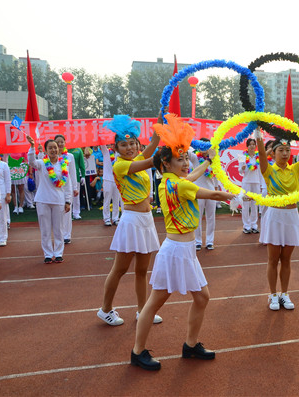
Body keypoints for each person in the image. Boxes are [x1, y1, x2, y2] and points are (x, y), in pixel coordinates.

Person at [131, 114, 236, 371]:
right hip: (176, 251)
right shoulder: (180, 185)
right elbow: (213, 193)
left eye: (187, 158)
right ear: (166, 163)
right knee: (155, 301)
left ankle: (190, 345)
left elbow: (191, 179)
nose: (187, 163)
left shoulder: (169, 181)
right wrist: (240, 195)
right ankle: (137, 351)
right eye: (181, 159)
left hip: (183, 250)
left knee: (202, 297)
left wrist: (208, 161)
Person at [97, 114, 161, 326]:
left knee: (142, 271)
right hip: (131, 221)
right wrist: (166, 154)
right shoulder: (120, 166)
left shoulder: (138, 158)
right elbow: (151, 161)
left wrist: (160, 123)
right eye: (123, 145)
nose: (129, 148)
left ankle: (142, 310)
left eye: (132, 143)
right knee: (120, 269)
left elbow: (153, 143)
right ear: (116, 148)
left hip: (146, 220)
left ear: (137, 144)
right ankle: (105, 309)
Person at [256, 131, 299, 311]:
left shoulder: (296, 169)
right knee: (273, 259)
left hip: (292, 216)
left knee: (286, 259)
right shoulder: (268, 170)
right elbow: (262, 154)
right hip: (274, 216)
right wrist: (257, 134)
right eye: (281, 150)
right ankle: (272, 294)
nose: (285, 153)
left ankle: (284, 293)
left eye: (287, 150)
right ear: (273, 153)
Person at [26, 136, 72, 263]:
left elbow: (67, 185)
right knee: (45, 229)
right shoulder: (41, 163)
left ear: (59, 149)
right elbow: (31, 162)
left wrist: (68, 201)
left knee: (59, 229)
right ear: (45, 151)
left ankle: (58, 253)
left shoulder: (64, 165)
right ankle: (47, 254)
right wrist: (32, 147)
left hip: (58, 200)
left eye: (55, 147)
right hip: (43, 200)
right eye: (50, 148)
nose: (53, 150)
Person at [188, 139, 219, 250]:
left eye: (207, 146)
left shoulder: (214, 160)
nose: (204, 149)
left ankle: (210, 241)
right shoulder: (194, 157)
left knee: (211, 217)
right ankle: (198, 241)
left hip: (210, 191)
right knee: (198, 217)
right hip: (198, 192)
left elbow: (216, 177)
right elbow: (185, 150)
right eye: (202, 146)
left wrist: (216, 190)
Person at [53, 135, 78, 244]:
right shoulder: (51, 157)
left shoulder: (70, 156)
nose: (60, 144)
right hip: (56, 187)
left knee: (67, 211)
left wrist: (75, 187)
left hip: (67, 188)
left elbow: (73, 173)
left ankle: (67, 235)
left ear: (65, 142)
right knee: (58, 212)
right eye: (57, 142)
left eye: (62, 142)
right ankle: (59, 234)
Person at [239, 138, 262, 233]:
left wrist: (261, 183)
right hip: (246, 182)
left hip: (256, 182)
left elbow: (260, 172)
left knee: (254, 204)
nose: (252, 146)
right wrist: (243, 168)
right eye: (250, 144)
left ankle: (254, 225)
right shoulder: (242, 156)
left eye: (253, 144)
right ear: (247, 146)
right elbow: (240, 171)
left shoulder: (258, 157)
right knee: (245, 204)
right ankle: (246, 225)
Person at [99, 143, 122, 226]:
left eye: (114, 144)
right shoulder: (106, 152)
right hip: (107, 179)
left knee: (116, 199)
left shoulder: (120, 154)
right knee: (107, 200)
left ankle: (115, 218)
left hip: (117, 180)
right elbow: (102, 144)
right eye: (111, 144)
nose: (113, 146)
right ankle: (107, 218)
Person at [68, 146, 86, 219]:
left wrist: (83, 176)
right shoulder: (63, 150)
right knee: (67, 196)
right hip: (64, 177)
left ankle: (76, 212)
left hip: (76, 176)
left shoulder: (78, 150)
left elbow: (82, 164)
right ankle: (68, 213)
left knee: (76, 195)